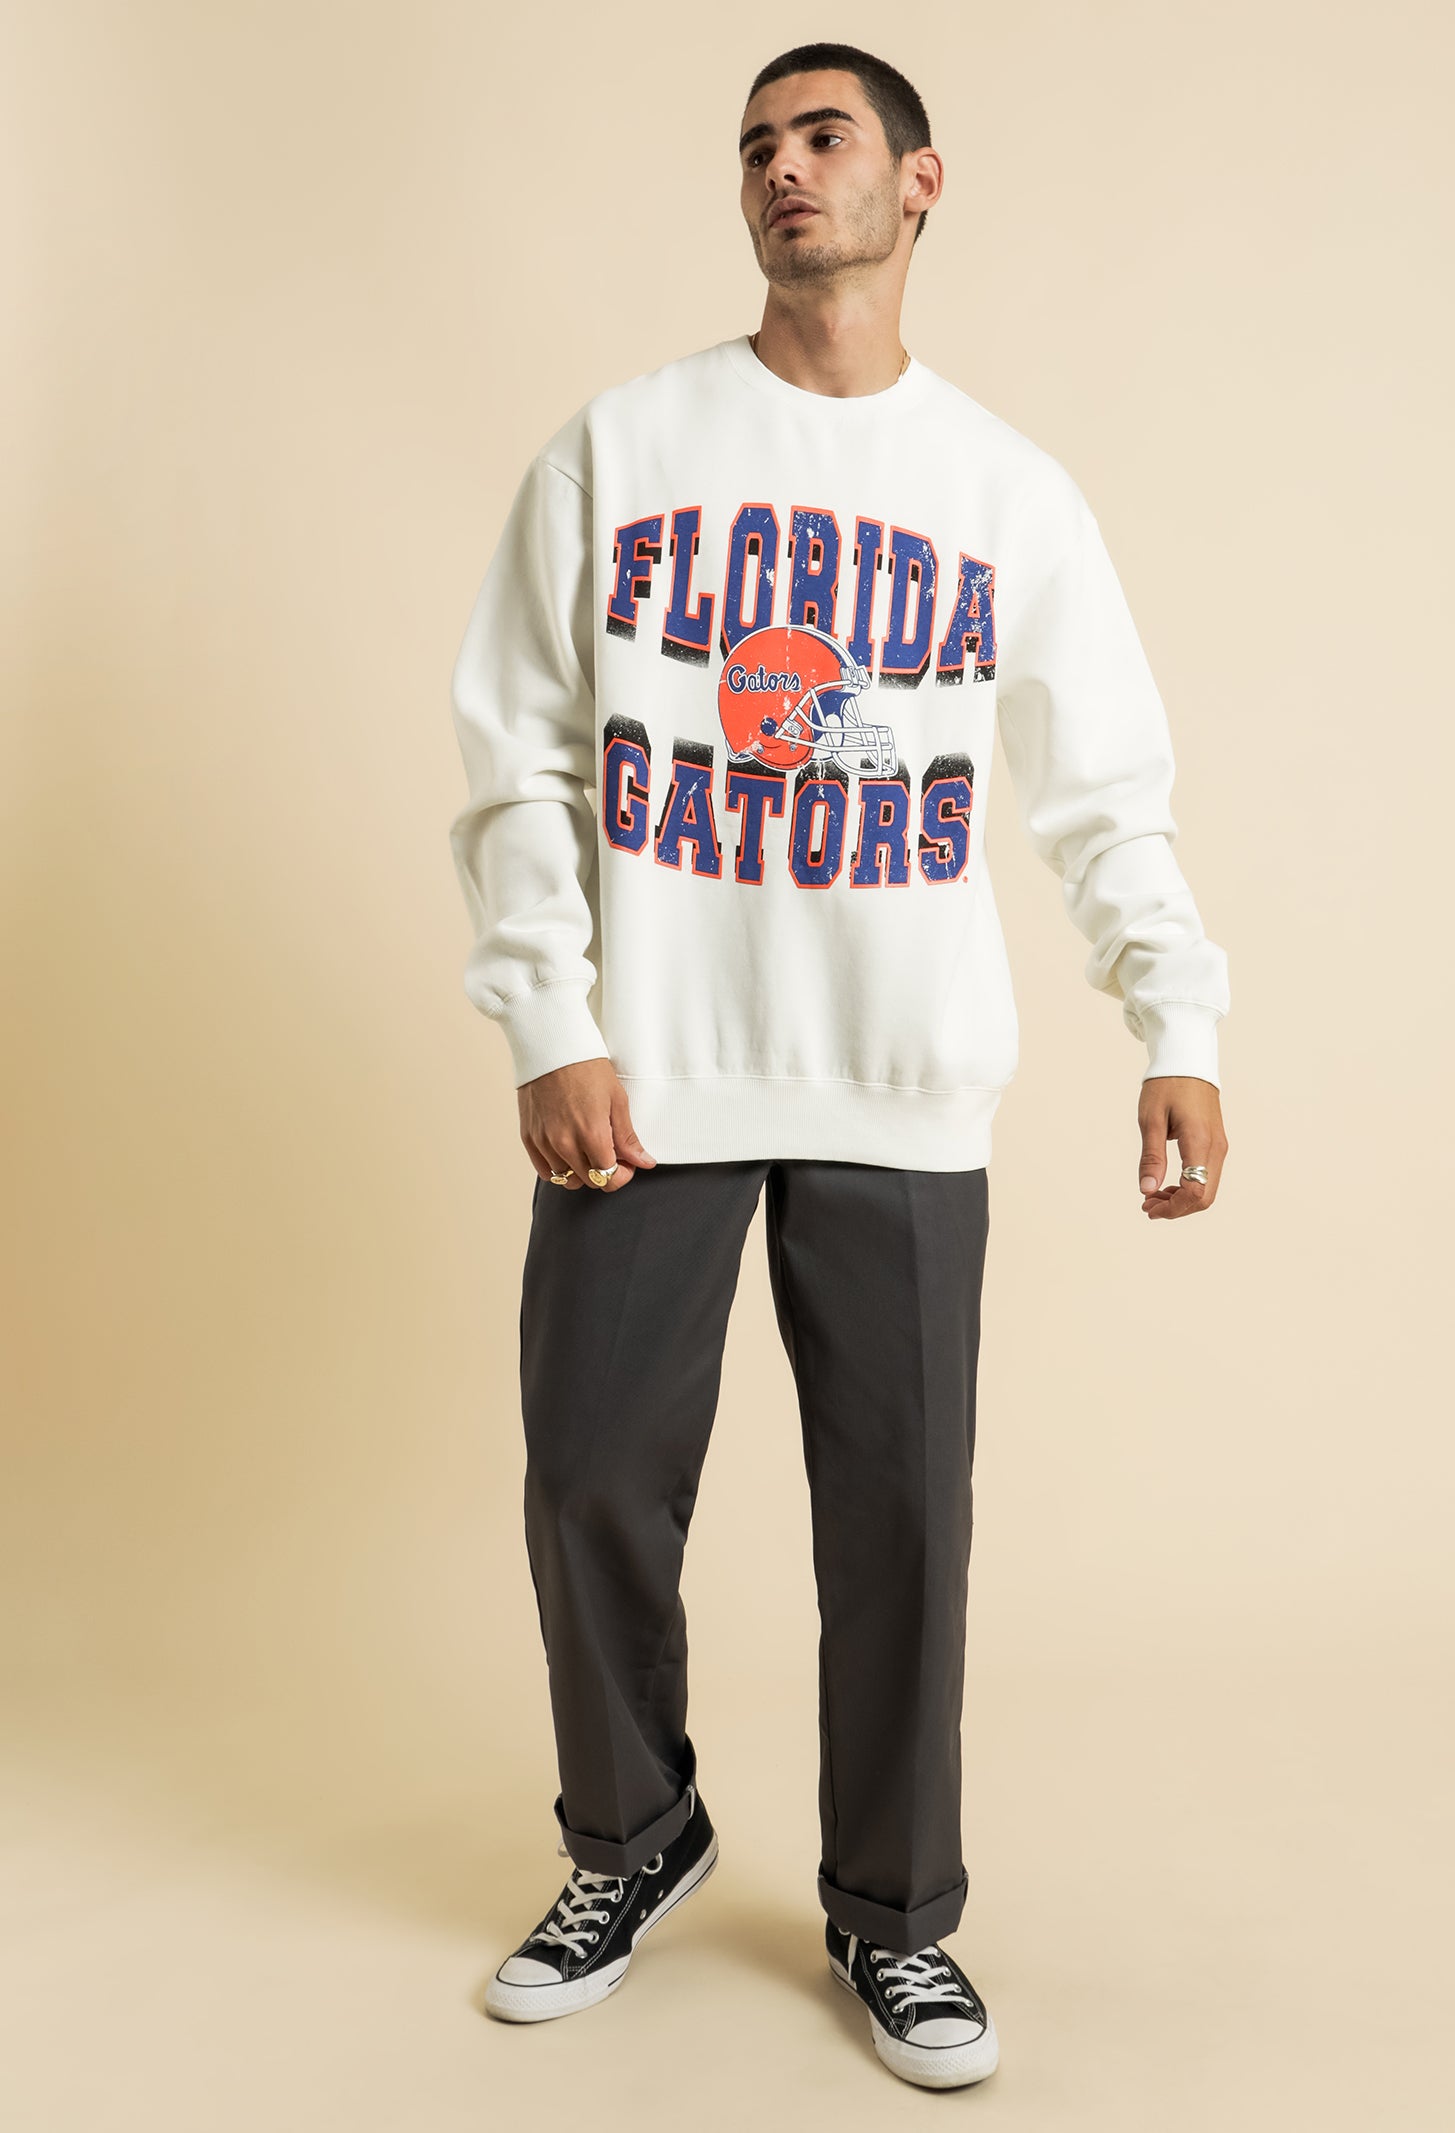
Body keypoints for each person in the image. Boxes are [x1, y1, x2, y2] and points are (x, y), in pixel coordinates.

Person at [446, 40, 1230, 2092]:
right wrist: (551, 1014)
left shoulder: (1004, 493)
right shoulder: (621, 448)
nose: (783, 171)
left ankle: (895, 1913)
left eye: (823, 137)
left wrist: (1175, 1018)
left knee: (900, 1522)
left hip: (900, 1077)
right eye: (755, 148)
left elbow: (1103, 791)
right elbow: (516, 751)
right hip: (650, 1073)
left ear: (918, 183)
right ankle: (633, 1835)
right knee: (587, 1475)